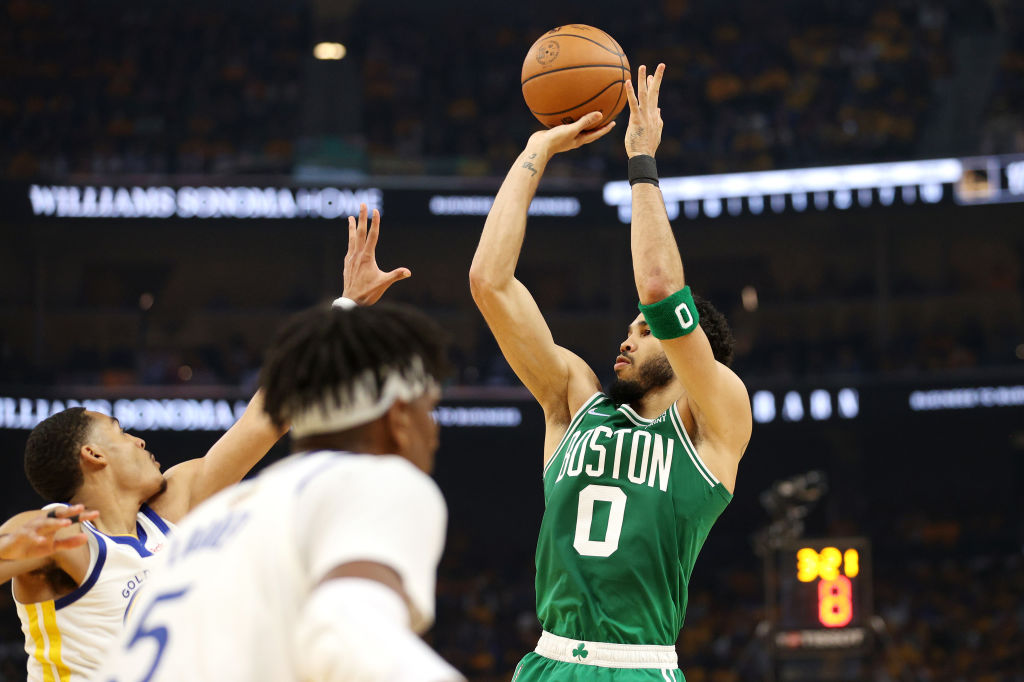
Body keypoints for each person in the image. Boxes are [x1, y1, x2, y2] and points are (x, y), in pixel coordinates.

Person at [0, 204, 409, 682]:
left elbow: (268, 416)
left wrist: (347, 309)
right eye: (119, 431)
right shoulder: (65, 535)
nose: (138, 439)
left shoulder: (172, 510)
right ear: (92, 456)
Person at [469, 63, 752, 680]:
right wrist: (535, 151)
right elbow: (489, 284)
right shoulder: (574, 402)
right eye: (628, 328)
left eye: (644, 331)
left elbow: (657, 287)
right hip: (545, 662)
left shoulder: (714, 421)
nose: (627, 338)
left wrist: (641, 160)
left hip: (636, 667)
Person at [97, 301, 464, 681]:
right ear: (398, 418)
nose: (433, 430)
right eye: (430, 408)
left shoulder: (212, 519)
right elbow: (346, 632)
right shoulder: (374, 479)